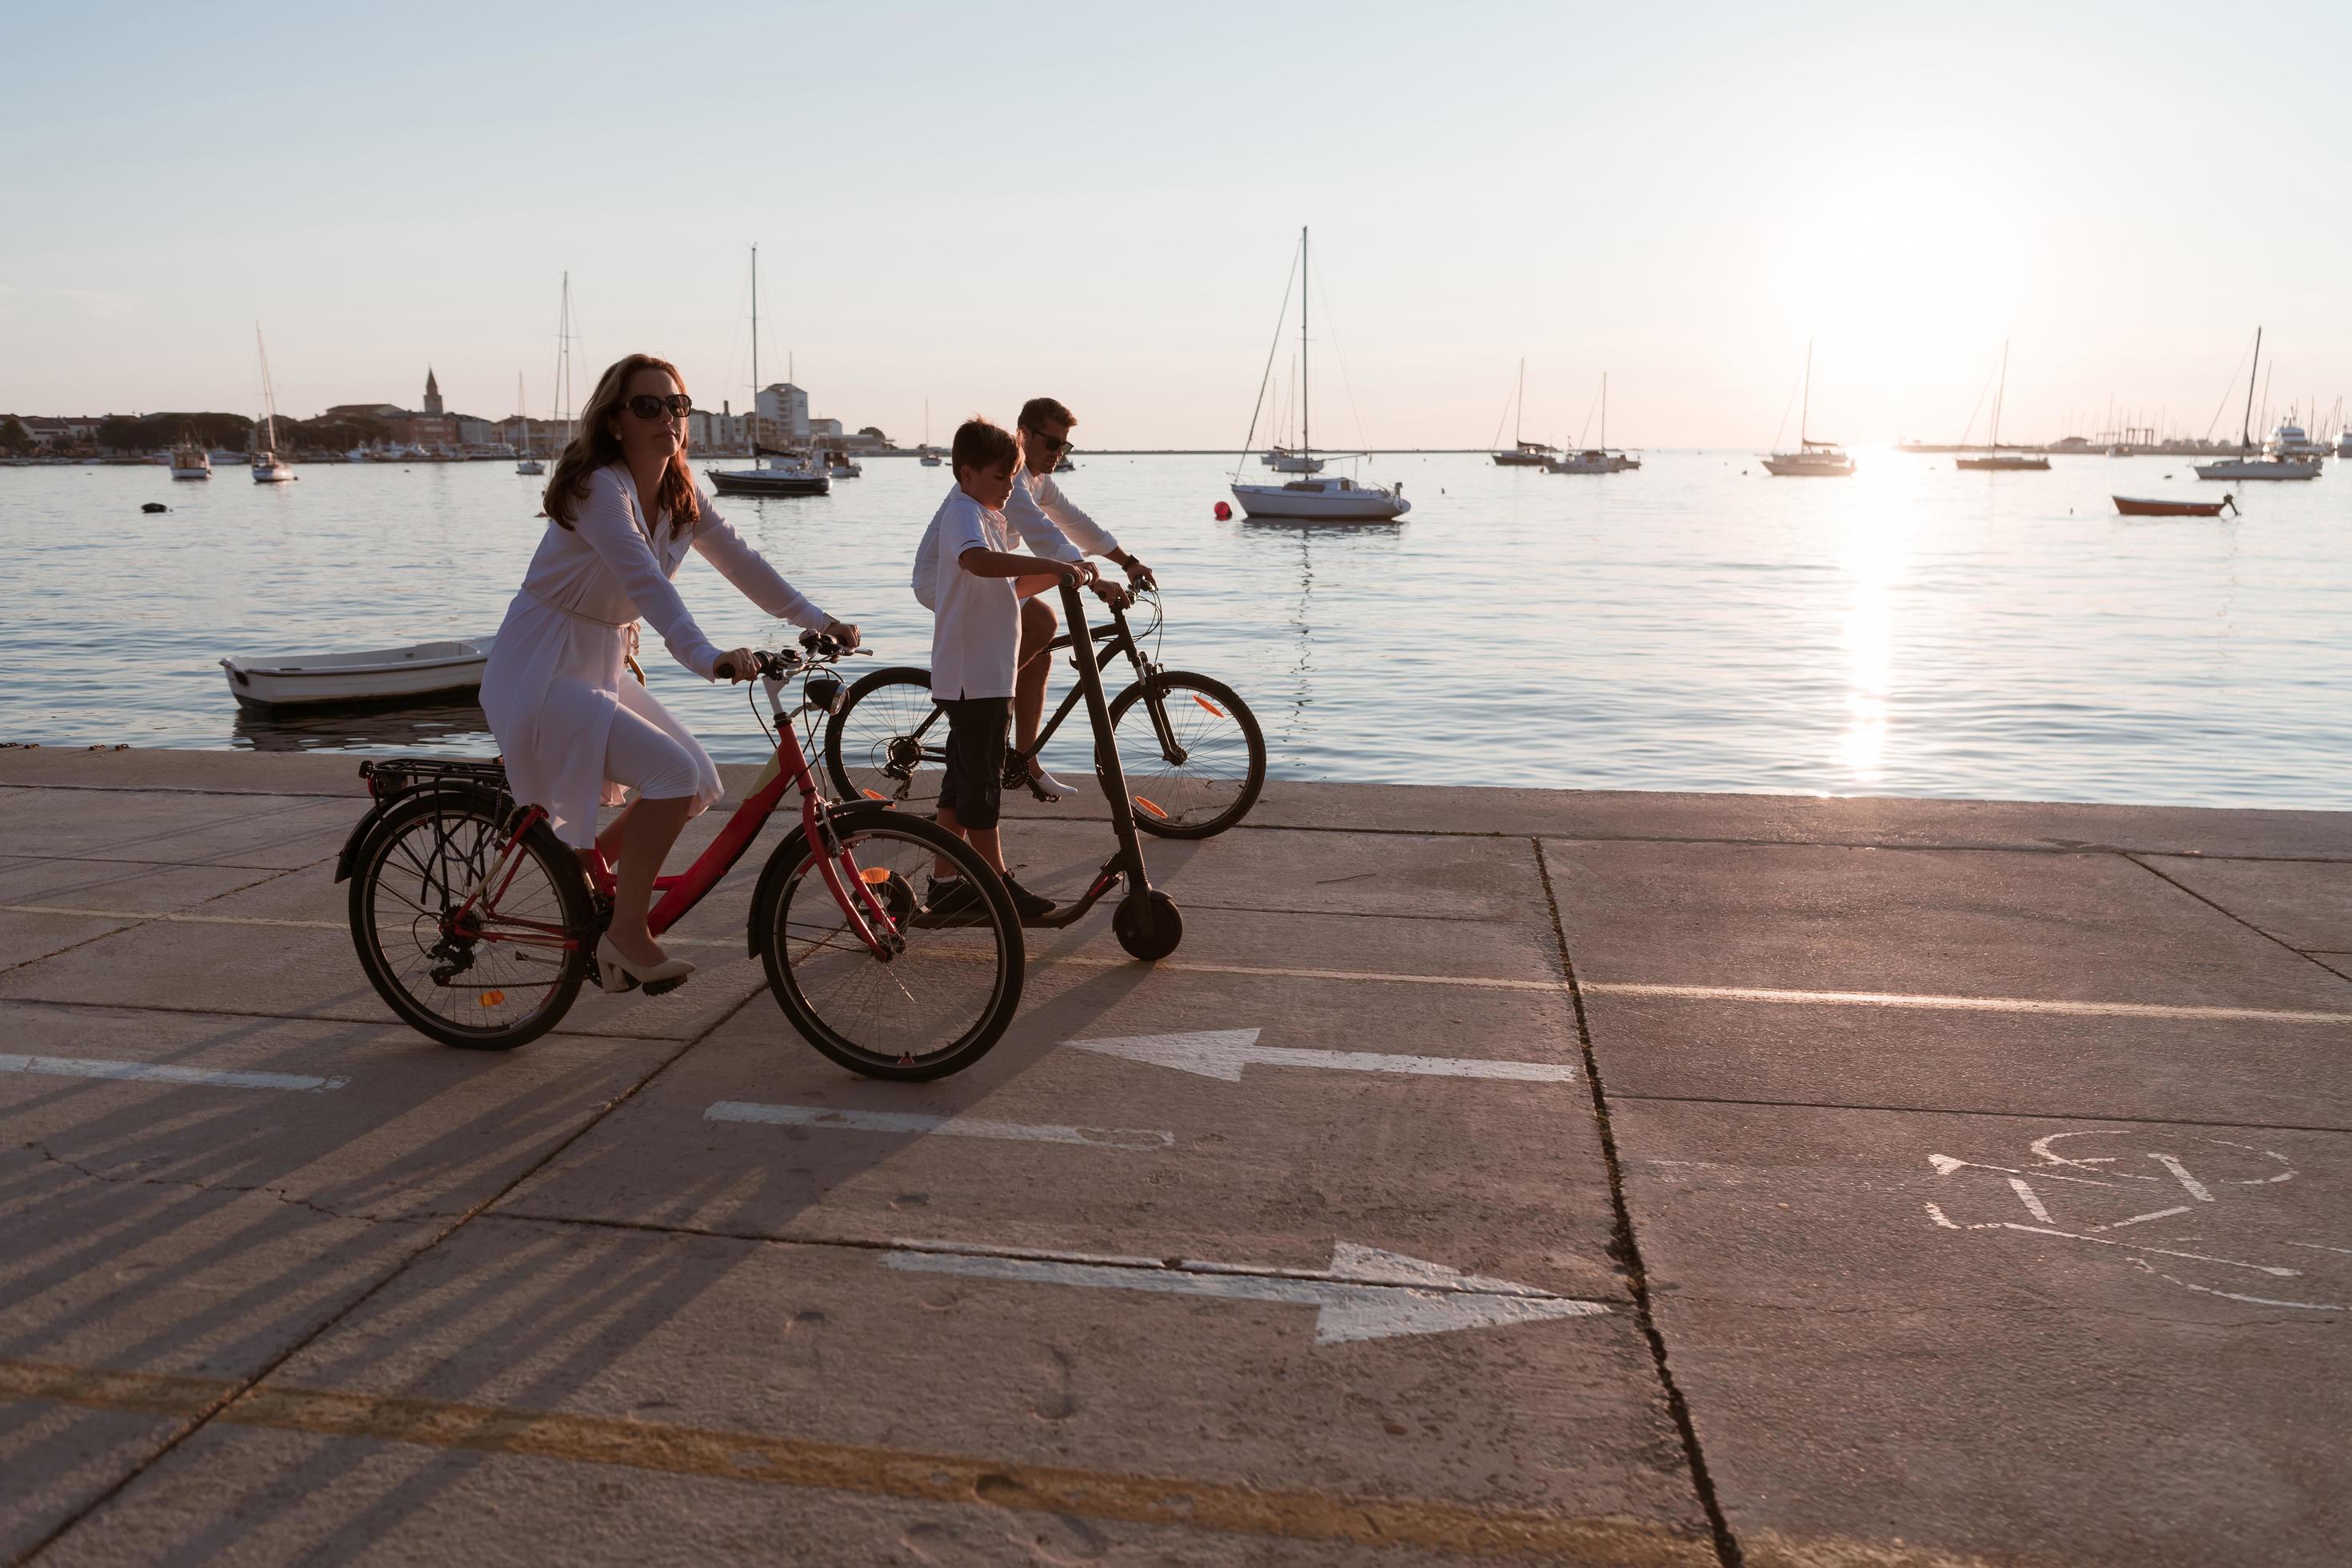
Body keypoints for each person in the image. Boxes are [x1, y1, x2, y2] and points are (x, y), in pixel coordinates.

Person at [478, 353, 859, 994]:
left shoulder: (681, 489)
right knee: (671, 774)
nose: (669, 418)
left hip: (597, 659)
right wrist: (705, 655)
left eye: (679, 406)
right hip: (542, 667)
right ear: (616, 420)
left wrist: (819, 620)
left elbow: (742, 561)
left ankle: (584, 868)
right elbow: (647, 585)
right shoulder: (601, 487)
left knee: (695, 783)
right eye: (649, 406)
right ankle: (625, 934)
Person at [912, 397, 1154, 797]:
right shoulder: (1012, 477)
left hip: (990, 574)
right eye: (1052, 444)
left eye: (1066, 446)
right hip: (945, 578)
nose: (1059, 454)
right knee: (1042, 622)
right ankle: (981, 703)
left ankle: (1025, 760)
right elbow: (1044, 535)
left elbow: (1075, 522)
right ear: (1024, 434)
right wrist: (1091, 581)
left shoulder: (1038, 480)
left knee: (1040, 654)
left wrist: (1127, 562)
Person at [922, 417, 1095, 923]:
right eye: (1001, 478)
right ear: (967, 473)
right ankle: (995, 885)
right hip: (971, 674)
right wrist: (1052, 565)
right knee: (982, 785)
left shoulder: (987, 515)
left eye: (1012, 478)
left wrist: (1062, 573)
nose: (1008, 489)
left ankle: (945, 883)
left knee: (960, 782)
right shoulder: (963, 513)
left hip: (988, 672)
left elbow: (1003, 587)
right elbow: (977, 564)